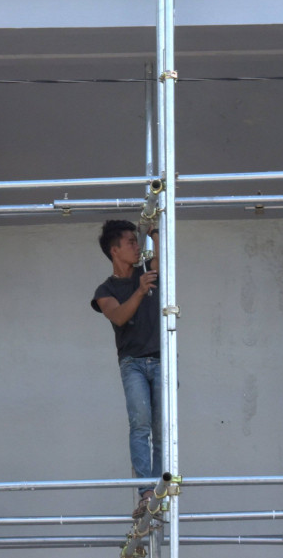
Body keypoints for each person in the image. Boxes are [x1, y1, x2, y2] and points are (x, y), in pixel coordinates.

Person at [91, 220, 162, 518]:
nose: (137, 246)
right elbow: (118, 316)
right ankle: (146, 492)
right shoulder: (104, 290)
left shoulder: (148, 270)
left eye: (137, 241)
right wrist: (140, 291)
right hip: (132, 362)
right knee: (140, 425)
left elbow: (164, 256)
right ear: (114, 250)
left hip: (161, 359)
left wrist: (154, 231)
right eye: (131, 242)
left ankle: (159, 491)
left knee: (162, 430)